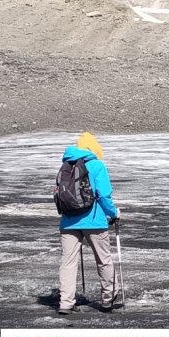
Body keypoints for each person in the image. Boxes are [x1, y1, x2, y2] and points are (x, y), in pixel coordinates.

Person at [56, 132, 121, 315]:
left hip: (68, 221)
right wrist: (114, 213)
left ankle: (66, 302)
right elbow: (103, 195)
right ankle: (108, 299)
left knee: (68, 263)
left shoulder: (66, 165)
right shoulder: (97, 165)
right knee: (103, 259)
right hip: (94, 220)